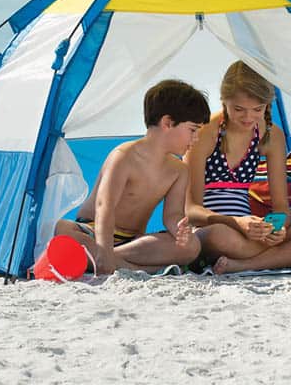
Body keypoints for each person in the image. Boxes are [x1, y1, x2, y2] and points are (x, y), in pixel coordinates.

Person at [185, 61, 291, 275]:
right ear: (224, 101)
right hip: (211, 229)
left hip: (252, 233)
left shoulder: (271, 135)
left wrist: (277, 228)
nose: (248, 117)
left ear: (268, 105)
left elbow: (282, 209)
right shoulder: (205, 132)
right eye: (238, 109)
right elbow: (191, 210)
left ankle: (247, 265)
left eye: (258, 109)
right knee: (221, 236)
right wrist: (237, 223)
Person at [55, 79, 210, 274]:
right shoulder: (123, 157)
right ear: (167, 123)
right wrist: (103, 247)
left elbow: (172, 215)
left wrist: (180, 231)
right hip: (95, 231)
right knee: (63, 228)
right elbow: (105, 207)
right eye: (193, 130)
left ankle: (111, 259)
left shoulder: (179, 170)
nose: (195, 139)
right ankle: (117, 260)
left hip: (135, 242)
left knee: (192, 247)